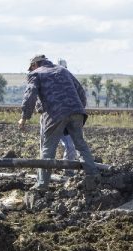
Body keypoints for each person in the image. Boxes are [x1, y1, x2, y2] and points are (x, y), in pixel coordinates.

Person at [18, 54, 99, 190]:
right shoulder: (63, 70)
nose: (30, 70)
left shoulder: (36, 74)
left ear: (35, 65)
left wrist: (24, 117)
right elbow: (80, 92)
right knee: (81, 145)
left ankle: (42, 185)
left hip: (55, 114)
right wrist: (77, 109)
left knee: (48, 150)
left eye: (31, 67)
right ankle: (94, 177)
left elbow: (30, 95)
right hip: (76, 111)